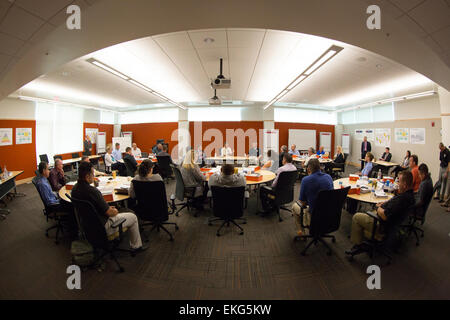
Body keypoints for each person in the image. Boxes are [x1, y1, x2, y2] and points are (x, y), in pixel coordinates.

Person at [71, 161, 146, 252]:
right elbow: (110, 213)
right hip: (104, 227)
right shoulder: (93, 191)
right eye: (93, 174)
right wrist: (115, 210)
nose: (94, 176)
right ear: (87, 176)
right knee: (133, 217)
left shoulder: (74, 190)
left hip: (87, 228)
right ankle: (136, 247)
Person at [346, 171, 415, 255]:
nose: (397, 184)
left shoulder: (402, 200)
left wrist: (378, 207)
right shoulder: (409, 196)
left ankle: (357, 245)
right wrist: (385, 203)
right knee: (369, 213)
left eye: (399, 181)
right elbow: (393, 206)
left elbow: (385, 216)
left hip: (381, 224)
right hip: (392, 224)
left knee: (357, 216)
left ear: (404, 184)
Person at [292, 158, 333, 236]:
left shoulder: (305, 180)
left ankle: (302, 234)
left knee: (294, 206)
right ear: (320, 167)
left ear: (308, 169)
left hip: (314, 218)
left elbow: (303, 203)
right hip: (329, 216)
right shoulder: (329, 177)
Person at [35, 162, 76, 237]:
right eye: (48, 169)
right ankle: (73, 231)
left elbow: (50, 194)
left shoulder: (43, 180)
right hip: (54, 206)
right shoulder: (42, 184)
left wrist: (58, 195)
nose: (49, 171)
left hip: (55, 201)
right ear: (44, 171)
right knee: (72, 206)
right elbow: (49, 201)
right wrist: (60, 200)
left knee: (68, 200)